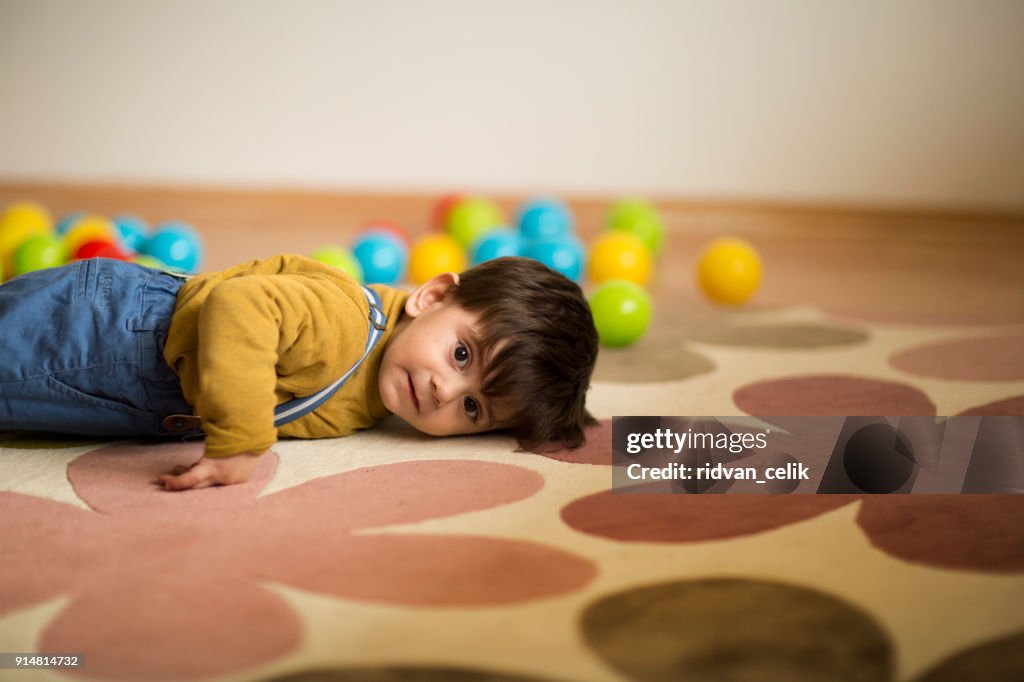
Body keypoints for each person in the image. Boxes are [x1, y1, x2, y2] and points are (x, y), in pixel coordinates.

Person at [0, 254, 599, 491]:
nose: (447, 389)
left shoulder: (377, 399)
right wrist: (241, 441)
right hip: (105, 330)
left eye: (473, 410)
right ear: (433, 296)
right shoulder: (343, 325)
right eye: (463, 355)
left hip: (111, 387)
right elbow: (240, 306)